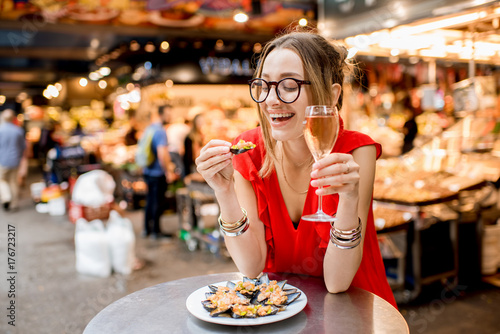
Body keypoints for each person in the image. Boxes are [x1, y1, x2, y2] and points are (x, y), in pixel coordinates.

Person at [195, 30, 397, 308]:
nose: (270, 100)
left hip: (352, 306)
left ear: (331, 95)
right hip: (279, 308)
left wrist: (349, 200)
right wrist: (224, 192)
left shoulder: (355, 152)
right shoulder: (249, 150)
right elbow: (251, 266)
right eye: (264, 86)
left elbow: (337, 283)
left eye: (289, 86)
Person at [141, 105, 176, 239]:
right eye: (168, 113)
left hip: (147, 171)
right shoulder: (161, 131)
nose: (170, 116)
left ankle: (147, 229)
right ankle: (156, 231)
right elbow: (162, 154)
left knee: (149, 200)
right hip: (157, 173)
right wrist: (168, 171)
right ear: (161, 114)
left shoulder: (150, 128)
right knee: (157, 201)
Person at [0, 109, 26, 211]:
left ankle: (6, 197)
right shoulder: (18, 130)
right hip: (15, 160)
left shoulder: (0, 130)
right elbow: (23, 147)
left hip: (2, 160)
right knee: (13, 182)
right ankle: (14, 204)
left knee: (2, 180)